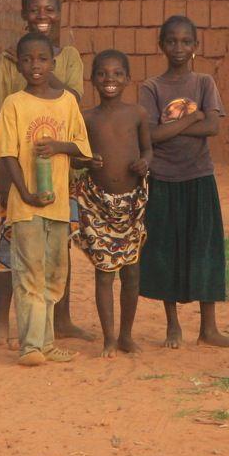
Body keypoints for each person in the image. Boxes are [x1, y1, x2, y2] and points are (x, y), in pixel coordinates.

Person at [0, 0, 88, 347]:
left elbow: (72, 99)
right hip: (18, 172)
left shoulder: (69, 58)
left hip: (59, 175)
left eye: (49, 10)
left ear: (59, 14)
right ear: (23, 14)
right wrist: (2, 175)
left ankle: (61, 320)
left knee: (59, 246)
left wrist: (46, 67)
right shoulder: (7, 62)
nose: (42, 17)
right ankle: (2, 322)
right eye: (34, 10)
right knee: (8, 244)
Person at [138, 15, 229, 350]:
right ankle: (173, 327)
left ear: (196, 46)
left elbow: (213, 128)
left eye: (185, 42)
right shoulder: (151, 88)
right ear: (161, 45)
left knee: (204, 250)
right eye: (171, 41)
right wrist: (194, 117)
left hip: (199, 177)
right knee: (166, 250)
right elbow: (150, 134)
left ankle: (208, 327)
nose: (178, 48)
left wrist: (177, 126)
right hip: (163, 179)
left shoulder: (204, 83)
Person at [73, 50, 153, 357]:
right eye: (103, 74)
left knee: (131, 272)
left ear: (128, 79)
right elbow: (76, 157)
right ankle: (108, 337)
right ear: (93, 79)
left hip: (132, 206)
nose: (110, 80)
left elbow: (148, 150)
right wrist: (86, 162)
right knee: (104, 272)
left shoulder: (137, 114)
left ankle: (126, 336)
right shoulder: (87, 118)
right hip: (98, 205)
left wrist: (144, 164)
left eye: (117, 74)